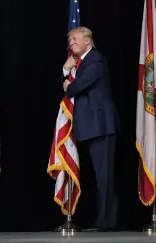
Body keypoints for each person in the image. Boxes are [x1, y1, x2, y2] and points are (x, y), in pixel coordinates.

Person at [62, 27, 119, 231]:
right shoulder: (83, 62)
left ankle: (107, 222)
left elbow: (78, 87)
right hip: (91, 127)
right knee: (98, 175)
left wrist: (68, 81)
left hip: (101, 126)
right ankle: (103, 220)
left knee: (104, 176)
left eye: (75, 39)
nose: (71, 43)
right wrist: (67, 72)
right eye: (69, 41)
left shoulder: (95, 59)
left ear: (88, 41)